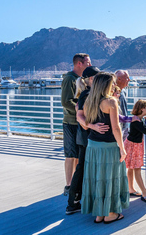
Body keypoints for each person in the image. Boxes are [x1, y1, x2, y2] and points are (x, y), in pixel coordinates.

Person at [81, 72, 129, 223]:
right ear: (108, 85)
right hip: (108, 147)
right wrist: (122, 148)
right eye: (113, 82)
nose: (115, 85)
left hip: (93, 146)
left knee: (97, 178)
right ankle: (110, 214)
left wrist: (93, 126)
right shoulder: (111, 102)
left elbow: (84, 121)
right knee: (110, 178)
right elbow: (116, 129)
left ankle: (99, 214)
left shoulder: (89, 100)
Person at [66, 66, 108, 215]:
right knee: (82, 167)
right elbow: (79, 116)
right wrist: (93, 126)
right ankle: (72, 202)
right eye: (98, 77)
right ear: (92, 79)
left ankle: (82, 200)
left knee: (86, 168)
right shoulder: (86, 94)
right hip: (86, 137)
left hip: (90, 136)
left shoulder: (92, 94)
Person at [61, 53, 91, 195]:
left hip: (80, 121)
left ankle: (76, 184)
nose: (89, 65)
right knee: (71, 154)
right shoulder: (69, 79)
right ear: (79, 63)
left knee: (79, 155)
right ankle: (68, 185)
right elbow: (66, 101)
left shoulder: (81, 79)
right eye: (88, 63)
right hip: (71, 122)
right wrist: (80, 110)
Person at [125, 99, 146, 203]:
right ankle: (145, 193)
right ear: (142, 109)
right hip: (134, 146)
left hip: (134, 145)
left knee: (131, 168)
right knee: (137, 169)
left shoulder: (138, 119)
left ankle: (130, 189)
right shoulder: (137, 121)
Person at [114, 70, 130, 139]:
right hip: (118, 126)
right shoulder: (113, 92)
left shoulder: (123, 91)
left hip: (125, 125)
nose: (129, 80)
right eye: (127, 78)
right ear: (119, 79)